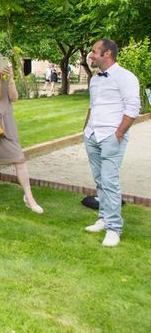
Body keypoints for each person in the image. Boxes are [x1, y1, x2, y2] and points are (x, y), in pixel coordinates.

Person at [84, 39, 140, 247]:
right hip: (92, 135)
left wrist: (118, 134)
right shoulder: (95, 79)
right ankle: (104, 217)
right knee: (100, 180)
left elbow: (133, 108)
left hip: (111, 137)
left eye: (94, 52)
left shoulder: (126, 77)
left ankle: (114, 228)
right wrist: (85, 130)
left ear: (107, 54)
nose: (91, 55)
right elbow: (92, 106)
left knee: (110, 182)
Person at [0, 49, 43, 213]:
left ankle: (29, 197)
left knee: (19, 159)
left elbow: (14, 98)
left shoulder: (7, 78)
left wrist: (11, 79)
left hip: (7, 122)